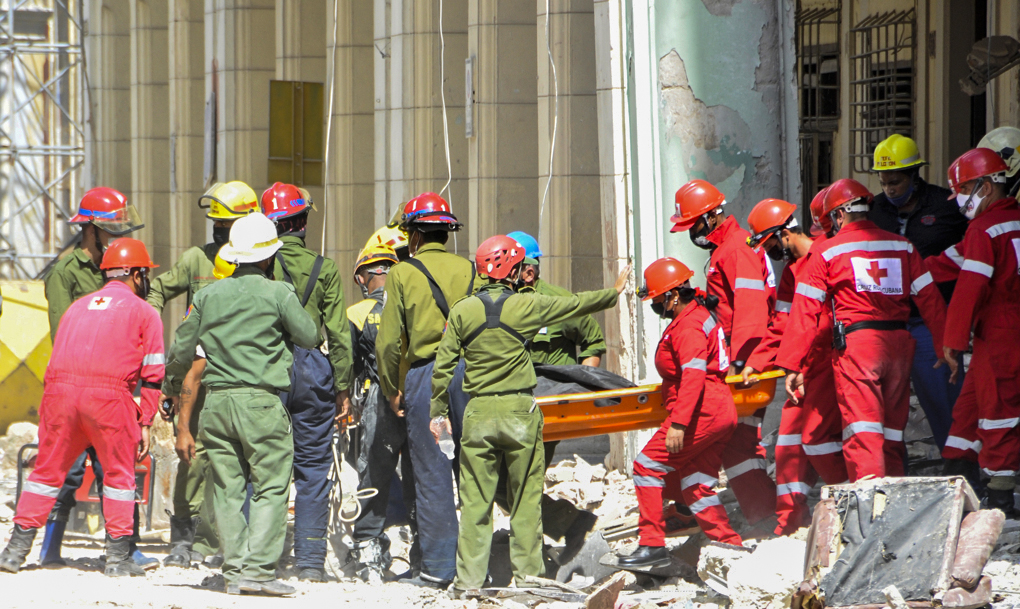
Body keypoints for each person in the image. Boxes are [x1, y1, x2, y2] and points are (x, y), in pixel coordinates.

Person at [430, 235, 627, 591]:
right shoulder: (528, 304)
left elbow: (443, 368)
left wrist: (438, 413)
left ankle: (469, 582)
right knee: (524, 500)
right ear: (511, 269)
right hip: (520, 413)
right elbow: (575, 304)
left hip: (478, 414)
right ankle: (528, 580)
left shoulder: (462, 310)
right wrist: (612, 293)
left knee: (475, 502)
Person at [167, 213, 319, 596]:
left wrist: (170, 385)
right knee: (270, 485)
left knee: (226, 488)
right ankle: (259, 571)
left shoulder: (207, 296)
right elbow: (309, 335)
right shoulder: (278, 292)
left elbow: (182, 349)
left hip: (216, 405)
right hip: (261, 404)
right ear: (268, 256)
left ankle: (234, 572)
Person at [1, 238, 162, 577]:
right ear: (136, 274)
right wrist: (145, 420)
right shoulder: (145, 313)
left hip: (59, 397)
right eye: (144, 275)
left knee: (46, 474)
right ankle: (117, 559)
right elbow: (152, 374)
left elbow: (56, 360)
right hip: (109, 400)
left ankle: (14, 551)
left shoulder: (77, 307)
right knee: (118, 475)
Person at [776, 178, 951, 480]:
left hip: (859, 349)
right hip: (899, 345)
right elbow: (929, 299)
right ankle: (893, 494)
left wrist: (792, 363)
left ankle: (871, 502)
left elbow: (805, 311)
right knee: (892, 432)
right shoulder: (902, 245)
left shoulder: (827, 251)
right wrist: (946, 346)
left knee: (863, 430)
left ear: (838, 215)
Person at [40, 187, 155, 569]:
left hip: (114, 389)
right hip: (75, 386)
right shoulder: (65, 273)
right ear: (91, 230)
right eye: (111, 230)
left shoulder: (120, 267)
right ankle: (49, 547)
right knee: (67, 470)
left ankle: (125, 547)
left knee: (117, 469)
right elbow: (63, 335)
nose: (117, 238)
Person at [151, 180, 258, 568]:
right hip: (197, 375)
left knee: (239, 460)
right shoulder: (197, 259)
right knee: (191, 454)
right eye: (215, 223)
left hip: (241, 376)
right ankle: (184, 536)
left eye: (225, 224)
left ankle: (228, 538)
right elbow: (157, 291)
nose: (217, 229)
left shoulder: (262, 262)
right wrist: (149, 331)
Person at [376, 192, 475, 587]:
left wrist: (392, 388)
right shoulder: (470, 270)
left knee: (433, 471)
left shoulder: (402, 273)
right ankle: (475, 567)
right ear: (446, 232)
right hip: (470, 373)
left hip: (427, 374)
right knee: (472, 469)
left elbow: (388, 342)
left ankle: (438, 568)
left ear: (414, 234)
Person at [616, 257, 741, 569]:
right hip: (716, 409)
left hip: (702, 411)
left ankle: (652, 544)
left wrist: (679, 424)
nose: (656, 305)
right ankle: (732, 551)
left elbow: (693, 376)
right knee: (696, 485)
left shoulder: (688, 326)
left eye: (657, 299)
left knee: (646, 466)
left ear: (672, 295)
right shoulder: (697, 316)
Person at [669, 179, 776, 527]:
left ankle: (765, 517)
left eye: (694, 225)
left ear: (712, 216)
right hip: (744, 356)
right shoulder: (728, 249)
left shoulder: (734, 250)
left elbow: (751, 310)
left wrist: (743, 361)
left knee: (734, 442)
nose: (692, 233)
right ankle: (762, 515)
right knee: (738, 443)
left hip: (746, 360)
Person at [260, 182, 354, 582]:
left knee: (265, 465)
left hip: (270, 366)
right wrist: (343, 387)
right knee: (313, 467)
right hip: (314, 368)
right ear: (301, 222)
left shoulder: (261, 264)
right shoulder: (324, 268)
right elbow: (339, 333)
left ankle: (260, 558)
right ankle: (311, 563)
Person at [741, 197, 847, 535]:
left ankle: (851, 502)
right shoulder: (791, 272)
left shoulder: (829, 254)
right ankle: (789, 523)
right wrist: (757, 363)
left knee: (822, 439)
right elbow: (782, 324)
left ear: (784, 233)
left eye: (769, 243)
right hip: (804, 367)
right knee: (788, 443)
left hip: (836, 361)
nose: (769, 250)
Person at [926, 148, 1020, 514]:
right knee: (970, 407)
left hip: (999, 331)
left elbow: (970, 286)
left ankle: (1000, 498)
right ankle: (956, 476)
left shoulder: (984, 228)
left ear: (987, 186)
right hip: (1003, 330)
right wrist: (910, 270)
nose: (960, 199)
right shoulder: (1008, 222)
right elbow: (954, 259)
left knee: (998, 413)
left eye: (964, 189)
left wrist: (952, 341)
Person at [500, 230, 601, 556]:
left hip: (545, 411)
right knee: (501, 482)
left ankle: (533, 550)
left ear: (530, 270)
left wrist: (579, 390)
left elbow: (593, 343)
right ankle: (568, 524)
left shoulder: (557, 302)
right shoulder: (499, 304)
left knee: (520, 480)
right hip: (507, 409)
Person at [868, 134, 967, 450]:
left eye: (895, 181)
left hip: (931, 322)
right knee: (885, 408)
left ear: (914, 174)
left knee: (945, 398)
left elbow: (973, 252)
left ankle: (960, 463)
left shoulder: (947, 206)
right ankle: (892, 472)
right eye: (883, 182)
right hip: (887, 325)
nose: (889, 189)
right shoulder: (874, 211)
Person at [346, 239, 418, 582]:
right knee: (420, 476)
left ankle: (369, 551)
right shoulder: (413, 305)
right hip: (418, 394)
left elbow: (349, 364)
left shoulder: (357, 313)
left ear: (364, 277)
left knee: (373, 475)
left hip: (380, 396)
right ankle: (425, 554)